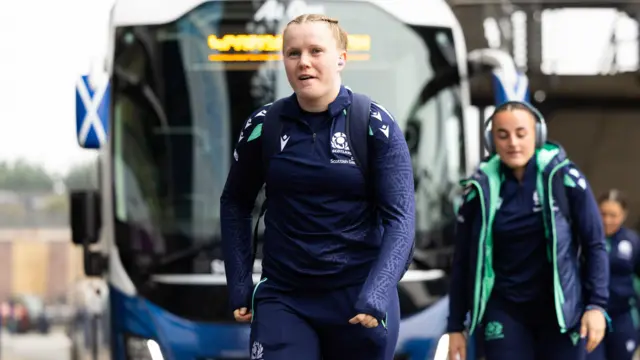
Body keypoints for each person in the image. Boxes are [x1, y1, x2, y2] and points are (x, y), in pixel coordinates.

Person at [219, 13, 415, 360]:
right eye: (293, 53)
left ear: (341, 58)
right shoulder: (264, 125)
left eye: (315, 51)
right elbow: (235, 201)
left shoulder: (374, 124)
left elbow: (401, 219)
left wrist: (377, 292)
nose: (304, 62)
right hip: (284, 296)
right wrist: (239, 283)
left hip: (358, 297)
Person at [446, 100, 610, 360]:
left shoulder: (564, 178)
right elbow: (462, 262)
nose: (513, 143)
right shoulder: (478, 190)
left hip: (560, 312)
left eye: (521, 134)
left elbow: (595, 244)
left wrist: (597, 305)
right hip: (504, 310)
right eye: (503, 135)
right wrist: (455, 326)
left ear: (538, 135)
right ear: (491, 141)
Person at [587, 189, 640, 360]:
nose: (607, 220)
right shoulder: (585, 238)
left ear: (623, 215)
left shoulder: (632, 241)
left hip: (622, 315)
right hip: (592, 314)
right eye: (602, 213)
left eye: (613, 215)